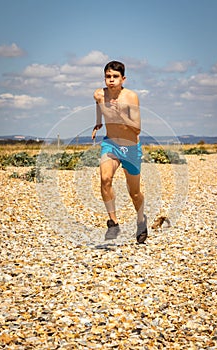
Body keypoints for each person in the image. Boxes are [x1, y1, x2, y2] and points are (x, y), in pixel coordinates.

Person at [92, 61, 148, 243]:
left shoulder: (131, 97)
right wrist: (99, 122)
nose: (111, 80)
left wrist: (120, 114)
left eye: (115, 77)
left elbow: (137, 129)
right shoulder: (99, 94)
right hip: (111, 144)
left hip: (131, 147)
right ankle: (113, 223)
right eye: (108, 76)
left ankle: (141, 220)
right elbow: (99, 105)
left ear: (123, 79)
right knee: (105, 179)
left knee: (135, 193)